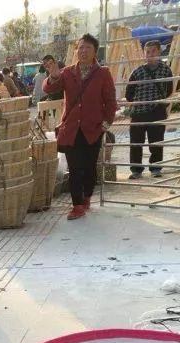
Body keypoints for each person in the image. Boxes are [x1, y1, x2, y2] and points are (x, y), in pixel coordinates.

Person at [43, 34, 117, 220]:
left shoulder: (103, 73)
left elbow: (110, 101)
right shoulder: (67, 72)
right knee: (75, 168)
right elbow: (49, 89)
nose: (83, 51)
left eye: (88, 48)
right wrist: (53, 77)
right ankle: (77, 205)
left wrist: (106, 124)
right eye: (81, 47)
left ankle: (87, 197)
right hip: (71, 129)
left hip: (93, 129)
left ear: (95, 51)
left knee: (89, 166)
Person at [126, 40, 174, 180]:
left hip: (157, 111)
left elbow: (169, 89)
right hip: (138, 113)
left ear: (159, 52)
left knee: (156, 142)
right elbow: (129, 93)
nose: (150, 54)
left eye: (153, 51)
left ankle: (156, 168)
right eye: (147, 52)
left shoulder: (166, 70)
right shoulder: (137, 72)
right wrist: (139, 103)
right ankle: (136, 170)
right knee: (136, 143)